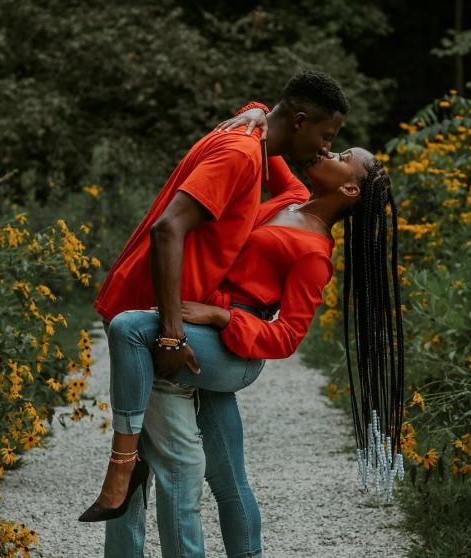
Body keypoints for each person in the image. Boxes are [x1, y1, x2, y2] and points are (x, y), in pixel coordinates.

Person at [84, 70, 350, 558]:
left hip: (223, 339)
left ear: (351, 191)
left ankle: (123, 468)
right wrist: (254, 113)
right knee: (225, 476)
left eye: (337, 151)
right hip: (179, 317)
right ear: (300, 118)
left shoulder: (314, 250)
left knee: (178, 464)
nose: (326, 151)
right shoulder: (285, 192)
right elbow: (269, 136)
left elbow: (288, 335)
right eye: (329, 139)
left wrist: (210, 320)